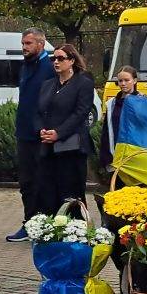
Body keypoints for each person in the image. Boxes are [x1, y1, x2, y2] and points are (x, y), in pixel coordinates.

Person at [6, 27, 56, 242]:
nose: (24, 48)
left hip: (42, 134)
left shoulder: (49, 67)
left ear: (41, 44)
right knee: (26, 182)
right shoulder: (25, 67)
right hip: (24, 133)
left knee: (43, 181)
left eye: (28, 44)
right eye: (23, 44)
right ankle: (29, 223)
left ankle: (46, 225)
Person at [36, 44, 95, 215]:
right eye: (53, 58)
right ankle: (53, 229)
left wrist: (59, 133)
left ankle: (76, 229)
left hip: (72, 147)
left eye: (61, 58)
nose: (56, 62)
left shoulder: (83, 83)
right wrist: (42, 130)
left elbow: (81, 113)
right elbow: (40, 111)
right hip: (48, 147)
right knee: (48, 190)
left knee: (71, 192)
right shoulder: (48, 84)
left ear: (72, 61)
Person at [100, 66, 139, 170]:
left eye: (127, 80)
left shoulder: (142, 101)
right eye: (120, 80)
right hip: (115, 155)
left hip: (135, 155)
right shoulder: (112, 103)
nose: (123, 83)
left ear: (134, 80)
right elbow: (106, 131)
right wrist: (104, 156)